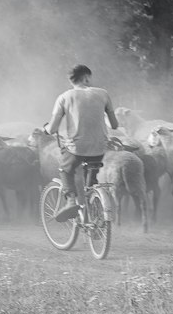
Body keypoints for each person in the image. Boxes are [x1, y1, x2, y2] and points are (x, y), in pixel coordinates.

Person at [46, 64, 120, 221]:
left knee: (65, 169)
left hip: (76, 148)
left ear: (72, 80)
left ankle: (71, 201)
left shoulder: (64, 97)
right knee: (90, 181)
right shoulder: (103, 94)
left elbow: (53, 128)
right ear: (86, 78)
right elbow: (114, 125)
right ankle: (94, 215)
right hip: (100, 147)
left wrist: (46, 129)